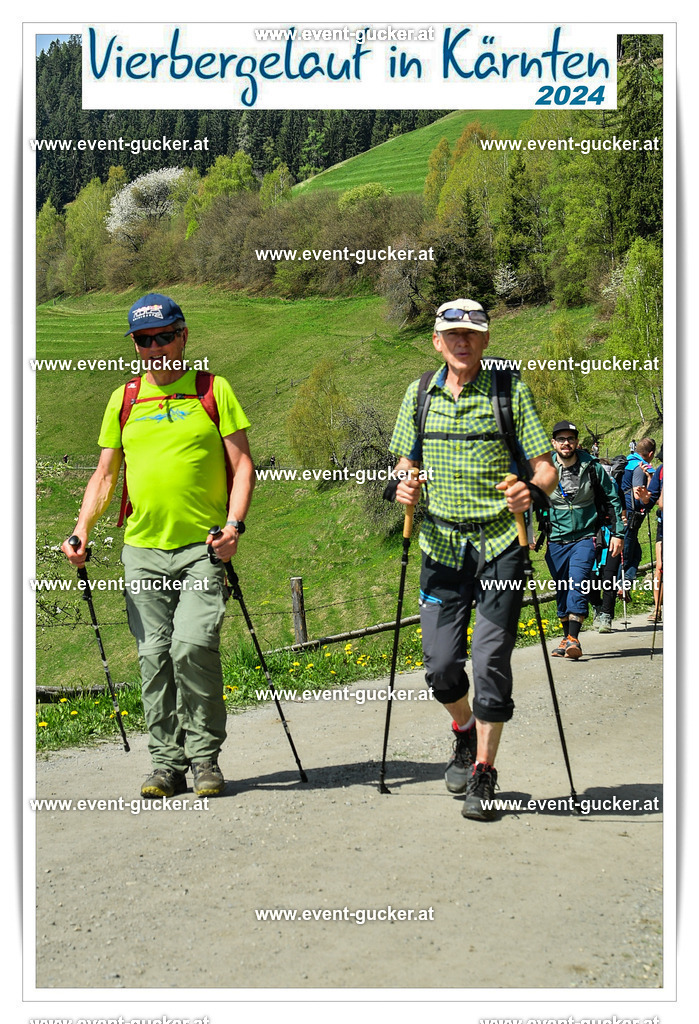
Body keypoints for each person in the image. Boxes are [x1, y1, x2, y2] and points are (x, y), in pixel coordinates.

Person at [62, 293, 255, 799]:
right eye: (144, 340)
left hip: (203, 548)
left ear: (183, 335)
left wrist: (234, 526)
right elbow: (104, 475)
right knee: (153, 655)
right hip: (142, 550)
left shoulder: (213, 391)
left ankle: (206, 758)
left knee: (191, 646)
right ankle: (167, 764)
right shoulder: (124, 398)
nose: (155, 348)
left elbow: (243, 467)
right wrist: (82, 527)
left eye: (163, 336)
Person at [387, 298, 557, 821]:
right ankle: (462, 730)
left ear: (485, 341)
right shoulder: (419, 394)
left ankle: (484, 770)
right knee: (440, 669)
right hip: (439, 547)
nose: (462, 341)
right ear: (437, 341)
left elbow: (545, 469)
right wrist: (402, 485)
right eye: (452, 334)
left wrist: (530, 491)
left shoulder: (510, 392)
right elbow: (403, 463)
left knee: (489, 659)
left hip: (501, 546)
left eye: (472, 333)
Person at [546, 422, 624, 658]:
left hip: (585, 536)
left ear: (577, 442)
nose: (566, 443)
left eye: (570, 438)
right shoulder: (544, 468)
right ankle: (565, 637)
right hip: (555, 538)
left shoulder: (592, 466)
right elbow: (530, 500)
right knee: (561, 589)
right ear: (554, 443)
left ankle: (574, 639)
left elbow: (612, 498)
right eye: (561, 439)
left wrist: (618, 534)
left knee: (578, 582)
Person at [619, 437, 656, 594]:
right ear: (651, 453)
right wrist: (650, 479)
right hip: (631, 517)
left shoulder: (627, 462)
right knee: (627, 556)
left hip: (620, 514)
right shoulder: (639, 467)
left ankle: (623, 586)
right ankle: (620, 588)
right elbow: (637, 495)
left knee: (635, 553)